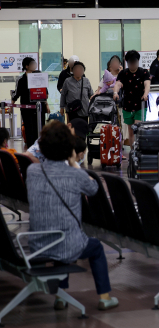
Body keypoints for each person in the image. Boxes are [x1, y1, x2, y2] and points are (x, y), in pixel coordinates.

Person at [26, 121, 119, 311]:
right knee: (94, 247)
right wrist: (74, 163)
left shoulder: (32, 171)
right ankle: (105, 296)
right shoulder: (74, 175)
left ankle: (61, 297)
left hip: (38, 243)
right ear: (69, 147)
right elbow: (93, 188)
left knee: (61, 234)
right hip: (66, 243)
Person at [10, 57, 49, 148]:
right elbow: (16, 94)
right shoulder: (21, 79)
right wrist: (11, 106)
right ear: (26, 66)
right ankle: (31, 148)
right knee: (29, 128)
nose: (35, 65)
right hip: (26, 108)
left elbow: (44, 91)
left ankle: (41, 147)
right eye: (32, 64)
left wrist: (46, 104)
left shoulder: (39, 75)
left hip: (39, 106)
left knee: (40, 127)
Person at [113, 50, 151, 143]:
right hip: (128, 105)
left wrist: (145, 94)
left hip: (140, 104)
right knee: (130, 131)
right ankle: (133, 152)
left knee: (137, 129)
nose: (133, 64)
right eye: (131, 62)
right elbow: (118, 84)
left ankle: (139, 150)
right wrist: (115, 93)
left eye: (135, 62)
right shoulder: (123, 73)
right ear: (127, 62)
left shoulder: (144, 72)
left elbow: (147, 84)